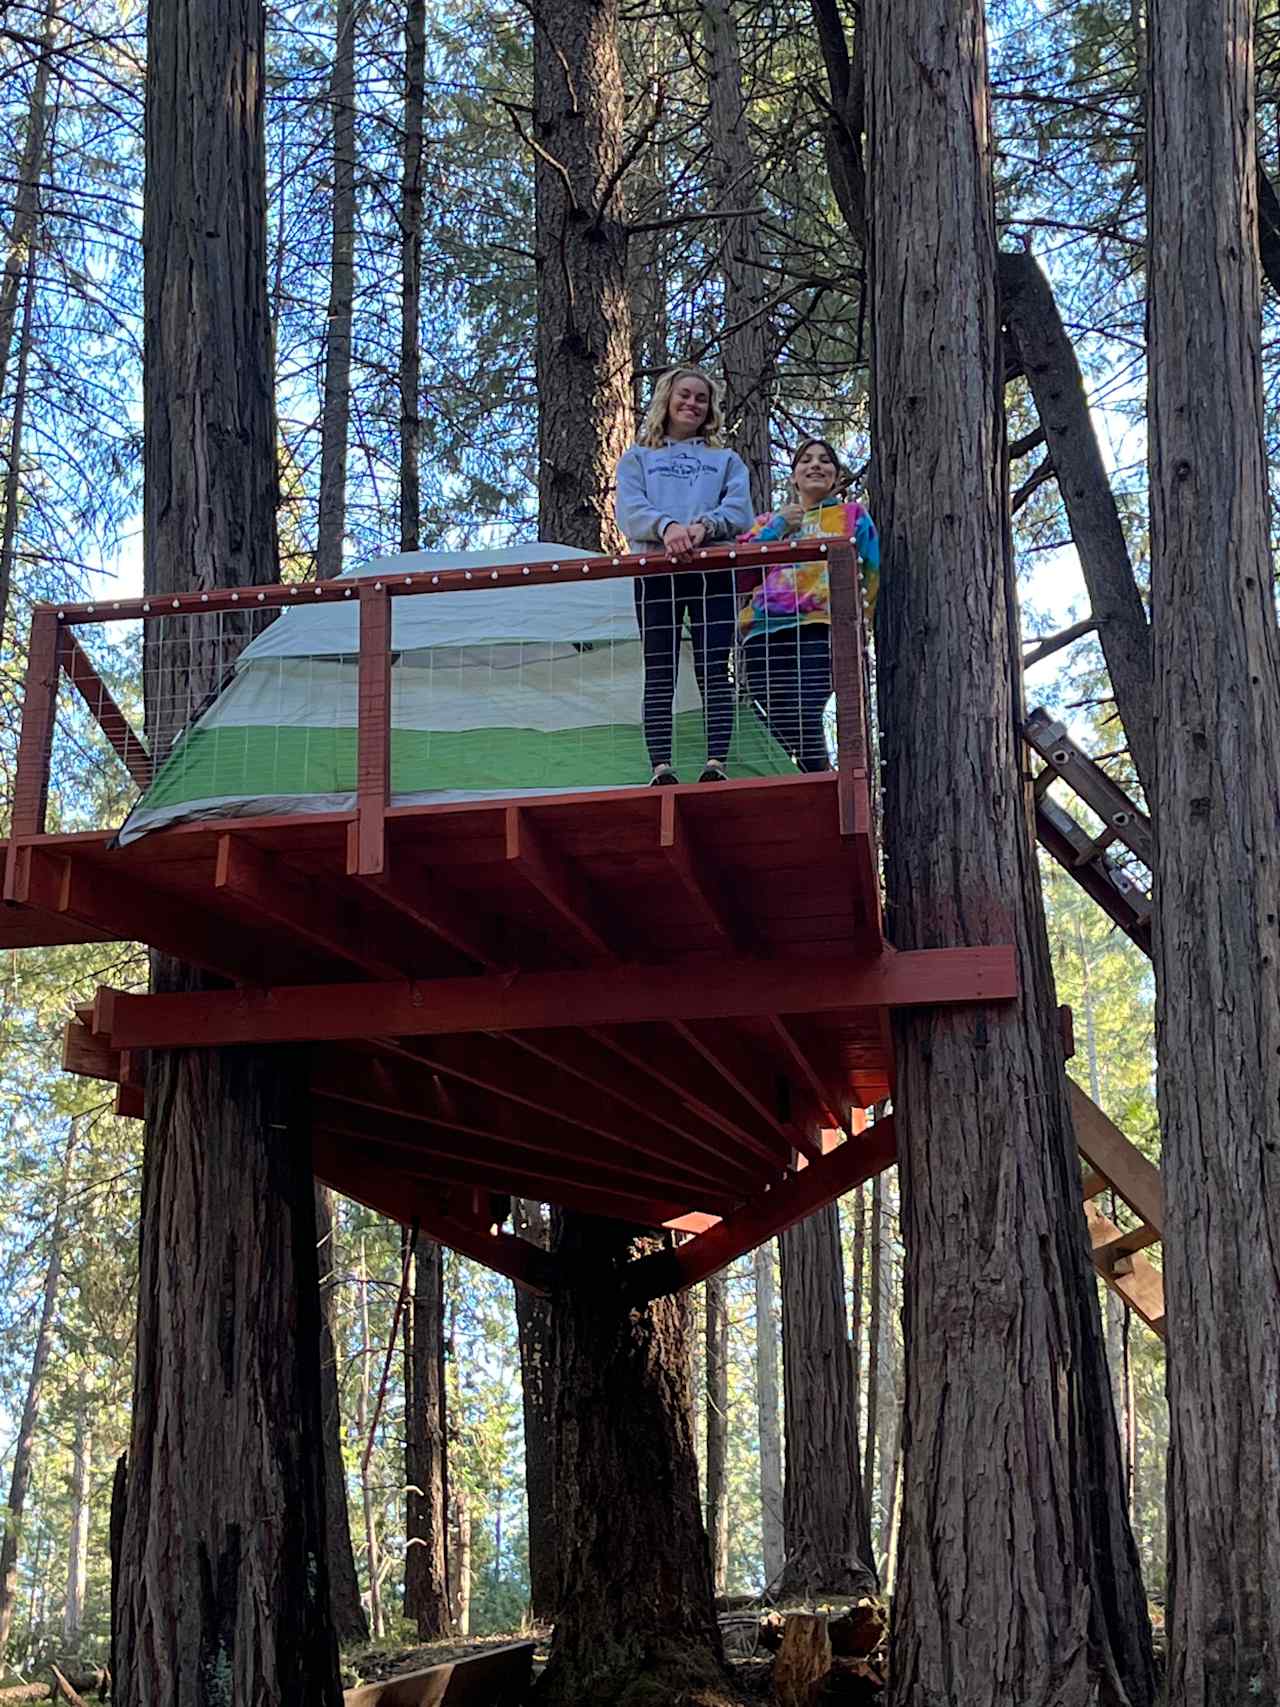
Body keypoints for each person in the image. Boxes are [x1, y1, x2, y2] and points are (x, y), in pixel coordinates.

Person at [615, 367, 754, 784]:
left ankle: (716, 764)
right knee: (660, 668)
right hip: (656, 572)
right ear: (666, 400)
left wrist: (702, 528)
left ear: (710, 409)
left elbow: (740, 510)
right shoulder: (638, 458)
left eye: (701, 399)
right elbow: (631, 509)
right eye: (685, 395)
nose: (692, 404)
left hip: (712, 571)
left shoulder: (725, 460)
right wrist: (667, 528)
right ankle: (661, 767)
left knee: (714, 666)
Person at [737, 438, 880, 772]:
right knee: (774, 719)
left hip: (822, 628)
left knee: (804, 710)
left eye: (825, 460)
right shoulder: (767, 521)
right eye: (806, 460)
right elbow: (741, 576)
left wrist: (861, 629)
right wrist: (778, 526)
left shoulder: (851, 516)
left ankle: (822, 779)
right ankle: (814, 781)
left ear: (836, 476)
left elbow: (870, 576)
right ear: (794, 477)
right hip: (763, 634)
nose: (815, 465)